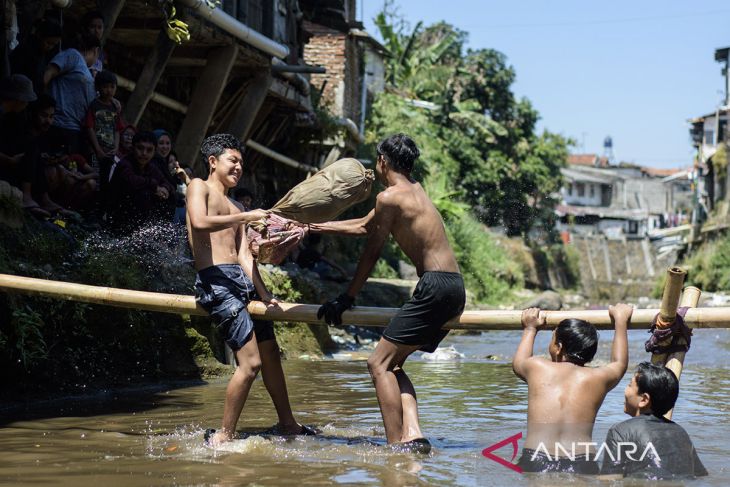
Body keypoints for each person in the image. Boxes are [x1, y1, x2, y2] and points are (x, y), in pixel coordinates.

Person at [313, 134, 465, 453]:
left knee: (377, 364)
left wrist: (347, 297)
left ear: (382, 161)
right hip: (453, 286)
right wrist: (314, 226)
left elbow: (371, 251)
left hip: (434, 287)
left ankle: (395, 444)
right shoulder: (414, 190)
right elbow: (366, 225)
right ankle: (413, 434)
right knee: (393, 366)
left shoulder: (390, 197)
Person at [186, 133, 313, 447]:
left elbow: (244, 256)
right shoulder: (197, 187)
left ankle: (288, 424)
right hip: (215, 280)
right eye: (233, 160)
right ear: (213, 162)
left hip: (241, 283)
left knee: (270, 355)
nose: (238, 167)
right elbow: (200, 222)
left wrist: (264, 292)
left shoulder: (233, 204)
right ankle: (223, 435)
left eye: (241, 162)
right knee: (251, 363)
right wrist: (246, 214)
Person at [512, 304, 632, 474]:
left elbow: (518, 362)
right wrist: (621, 320)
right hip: (581, 463)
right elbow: (619, 363)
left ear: (559, 347)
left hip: (537, 458)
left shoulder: (537, 367)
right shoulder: (599, 378)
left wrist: (530, 328)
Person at [600, 362, 707, 479]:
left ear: (644, 399)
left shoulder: (620, 431)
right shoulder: (681, 432)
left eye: (630, 385)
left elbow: (609, 481)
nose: (625, 390)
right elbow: (700, 475)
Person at [0, 74, 49, 217]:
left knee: (32, 145)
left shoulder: (9, 116)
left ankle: (44, 199)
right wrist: (8, 160)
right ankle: (26, 197)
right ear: (18, 98)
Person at [44, 33, 100, 156]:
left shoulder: (87, 71)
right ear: (96, 51)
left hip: (74, 130)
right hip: (59, 125)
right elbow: (49, 73)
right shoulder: (73, 55)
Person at [107, 131, 172, 229]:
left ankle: (155, 230)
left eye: (149, 150)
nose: (144, 153)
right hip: (118, 212)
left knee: (168, 198)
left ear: (154, 152)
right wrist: (154, 186)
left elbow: (166, 182)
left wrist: (165, 189)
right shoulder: (125, 163)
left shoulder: (150, 166)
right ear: (133, 148)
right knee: (144, 193)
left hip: (138, 215)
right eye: (140, 148)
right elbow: (132, 181)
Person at [10, 16, 62, 96]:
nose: (50, 47)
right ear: (39, 35)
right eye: (48, 43)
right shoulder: (25, 50)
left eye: (53, 45)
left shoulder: (46, 54)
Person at [81, 10, 106, 77]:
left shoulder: (101, 54)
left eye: (99, 27)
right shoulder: (77, 47)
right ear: (85, 28)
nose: (96, 31)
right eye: (92, 27)